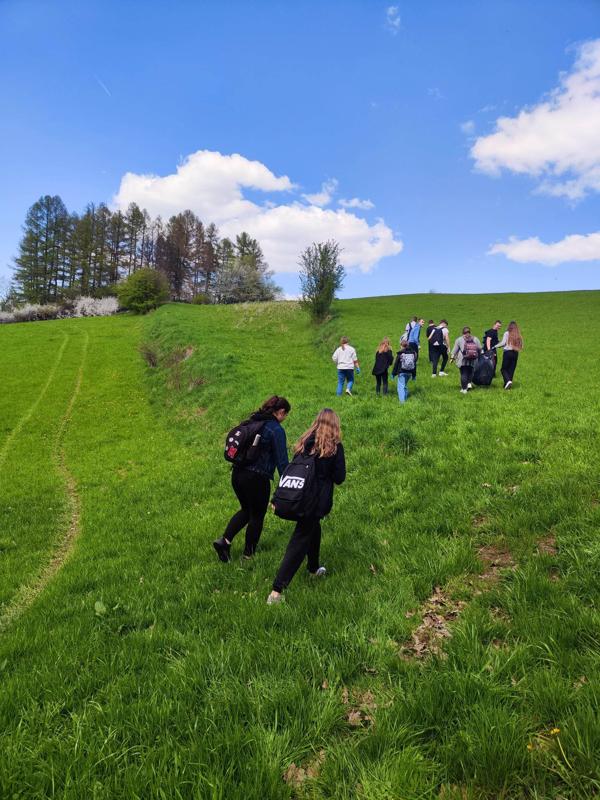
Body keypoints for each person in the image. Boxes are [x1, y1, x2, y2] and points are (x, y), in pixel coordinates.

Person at [267, 409, 346, 604]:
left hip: (298, 497)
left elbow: (291, 470)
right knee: (300, 540)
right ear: (335, 425)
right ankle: (276, 591)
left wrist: (277, 497)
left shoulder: (304, 443)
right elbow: (339, 477)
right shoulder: (334, 447)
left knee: (313, 528)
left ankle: (313, 569)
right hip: (314, 502)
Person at [213, 395, 290, 562]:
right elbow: (282, 462)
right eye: (285, 415)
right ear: (281, 412)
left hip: (237, 474)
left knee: (246, 510)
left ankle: (224, 542)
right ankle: (248, 556)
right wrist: (289, 486)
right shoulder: (275, 429)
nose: (284, 419)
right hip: (256, 478)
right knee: (257, 515)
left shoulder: (253, 421)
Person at [450, 327, 482, 394]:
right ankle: (468, 383)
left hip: (463, 359)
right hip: (473, 359)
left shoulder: (459, 339)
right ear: (470, 332)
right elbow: (480, 348)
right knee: (470, 372)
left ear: (462, 333)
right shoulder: (475, 339)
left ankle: (464, 389)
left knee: (464, 373)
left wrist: (452, 358)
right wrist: (479, 356)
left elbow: (454, 350)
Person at [494, 320, 523, 389]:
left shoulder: (507, 333)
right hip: (515, 353)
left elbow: (503, 343)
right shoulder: (518, 335)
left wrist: (494, 346)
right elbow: (521, 346)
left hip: (508, 353)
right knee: (511, 370)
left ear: (509, 326)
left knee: (503, 369)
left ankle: (508, 381)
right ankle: (507, 386)